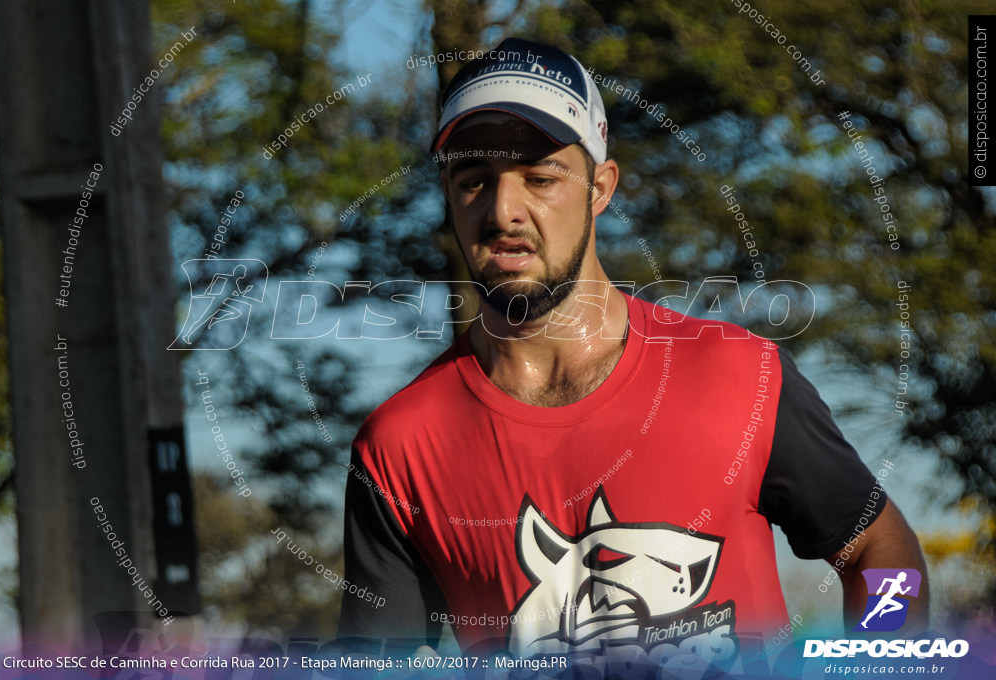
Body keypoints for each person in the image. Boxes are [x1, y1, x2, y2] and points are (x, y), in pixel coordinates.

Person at [337, 37, 927, 668]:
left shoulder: (736, 374)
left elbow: (879, 549)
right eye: (474, 180)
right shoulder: (397, 447)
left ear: (600, 187)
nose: (504, 210)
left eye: (540, 177)